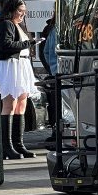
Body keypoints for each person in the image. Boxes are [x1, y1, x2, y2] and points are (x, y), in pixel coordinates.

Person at [0, 0, 38, 160]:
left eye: (24, 11)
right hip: (10, 66)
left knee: (21, 104)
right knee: (9, 104)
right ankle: (7, 146)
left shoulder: (18, 25)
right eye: (20, 11)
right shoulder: (6, 24)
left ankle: (19, 144)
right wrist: (29, 44)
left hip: (21, 66)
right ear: (11, 10)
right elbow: (5, 45)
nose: (22, 14)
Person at [39, 16, 59, 144]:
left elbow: (45, 52)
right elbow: (45, 52)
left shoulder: (51, 29)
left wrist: (52, 68)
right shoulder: (54, 29)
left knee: (55, 105)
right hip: (61, 72)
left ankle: (56, 131)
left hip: (55, 72)